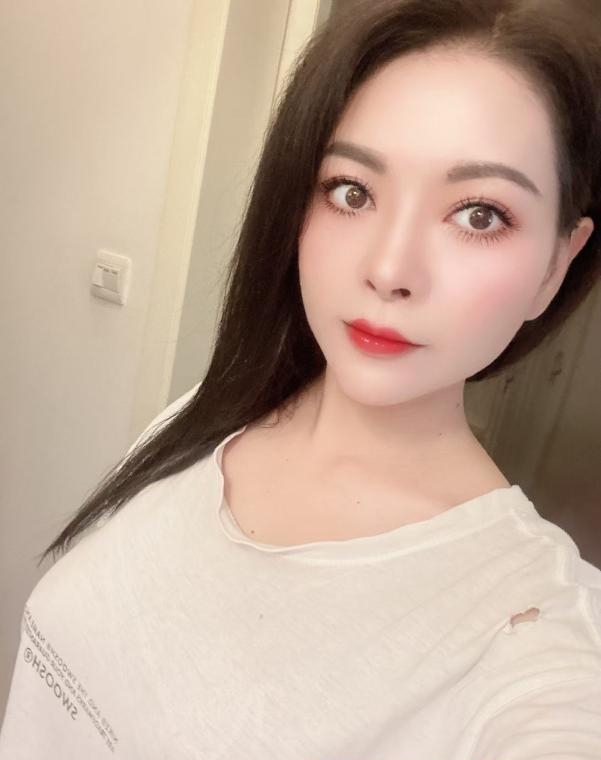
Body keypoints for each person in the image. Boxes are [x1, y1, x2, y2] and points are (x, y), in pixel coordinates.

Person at [2, 0, 601, 757]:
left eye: (478, 214)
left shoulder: (538, 638)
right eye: (352, 191)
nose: (388, 268)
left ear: (556, 264)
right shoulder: (198, 420)